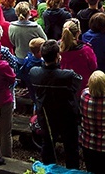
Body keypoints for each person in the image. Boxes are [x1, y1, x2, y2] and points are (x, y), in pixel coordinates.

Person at [30, 39, 82, 169]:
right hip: (67, 116)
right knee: (71, 147)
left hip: (46, 116)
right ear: (58, 56)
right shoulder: (67, 75)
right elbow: (77, 84)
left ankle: (49, 169)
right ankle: (72, 170)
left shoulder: (34, 72)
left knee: (47, 145)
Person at [59, 20, 97, 95]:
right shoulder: (86, 50)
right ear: (78, 33)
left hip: (63, 89)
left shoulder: (57, 48)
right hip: (83, 89)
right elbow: (94, 66)